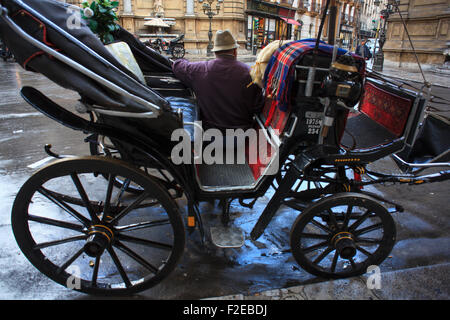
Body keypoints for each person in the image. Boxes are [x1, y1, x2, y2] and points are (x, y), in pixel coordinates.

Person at [172, 30, 264, 132]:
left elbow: (178, 66)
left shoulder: (199, 70)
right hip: (242, 135)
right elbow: (258, 107)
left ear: (215, 52)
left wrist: (184, 60)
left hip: (210, 135)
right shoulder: (250, 73)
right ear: (234, 51)